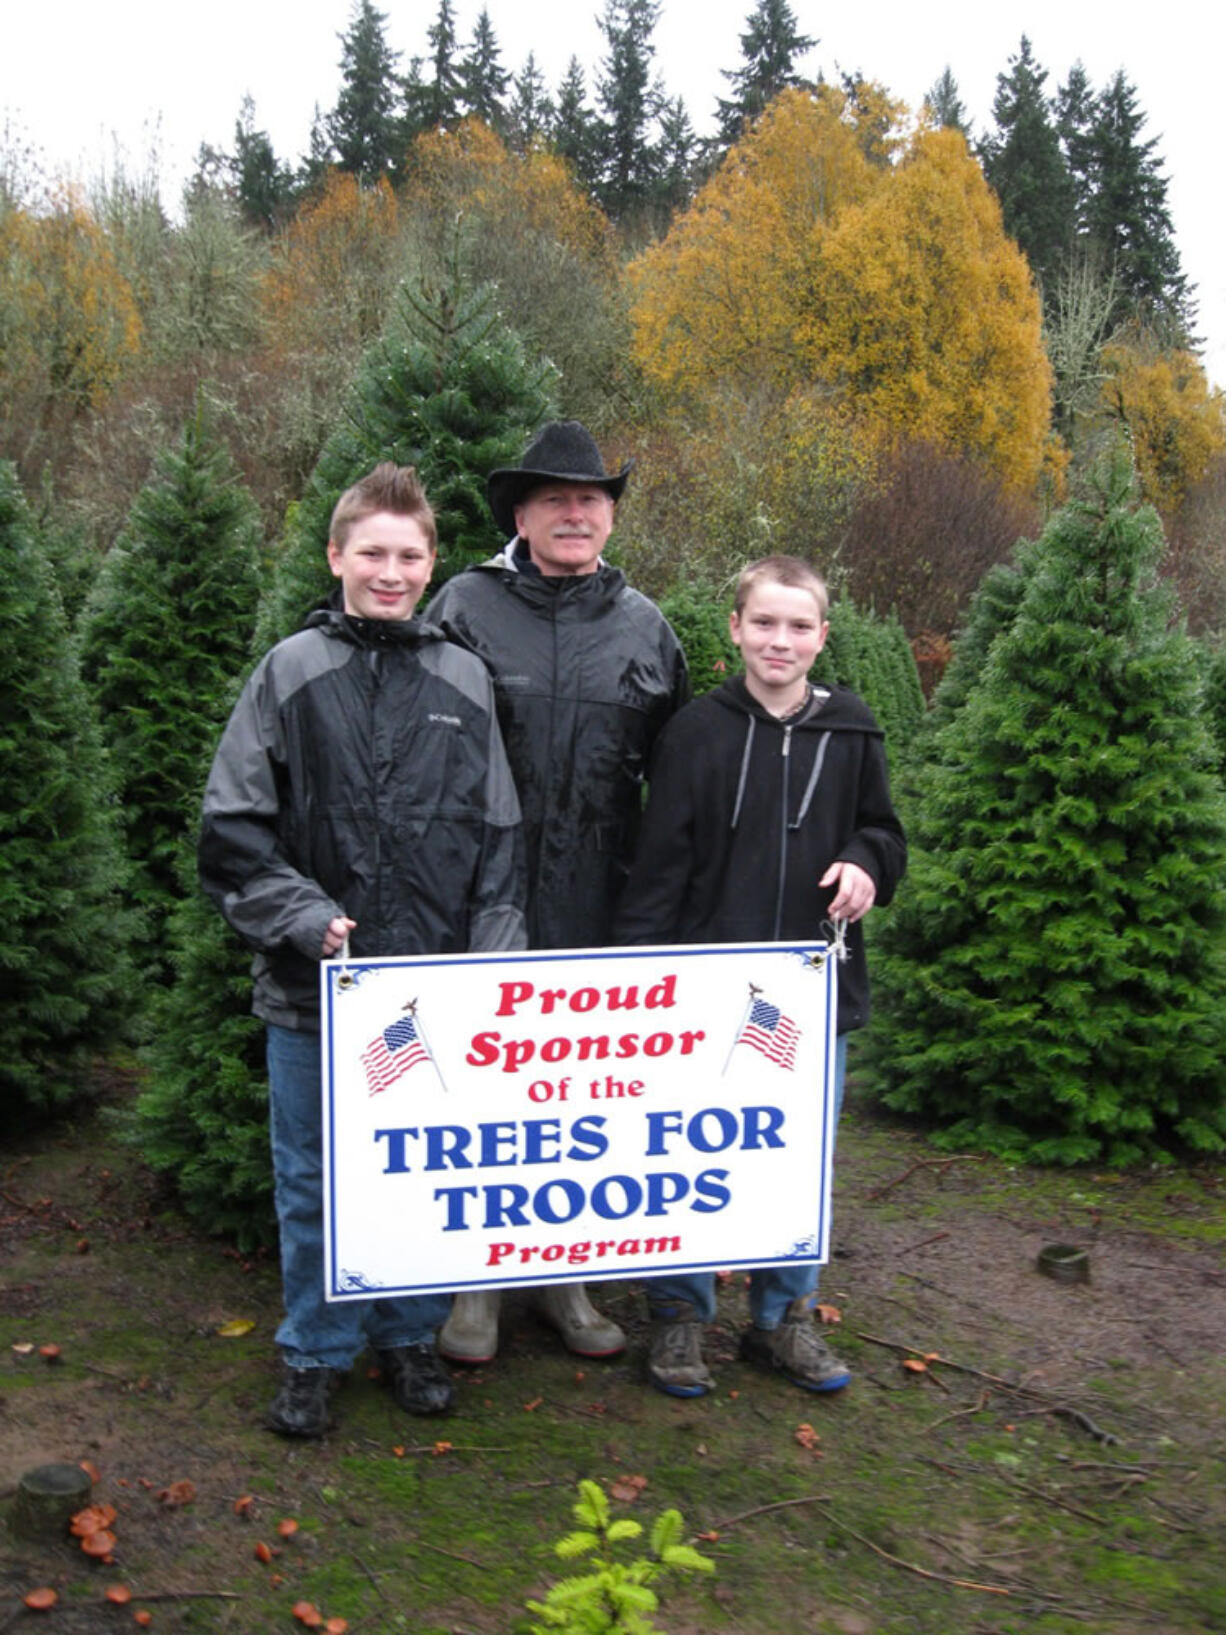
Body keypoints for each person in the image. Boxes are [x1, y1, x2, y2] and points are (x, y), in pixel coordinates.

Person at [198, 464, 526, 1437]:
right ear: (336, 555)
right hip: (313, 993)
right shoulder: (290, 671)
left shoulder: (461, 679)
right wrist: (303, 917)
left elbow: (499, 842)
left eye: (409, 555)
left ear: (432, 566)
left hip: (428, 1003)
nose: (390, 572)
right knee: (312, 1178)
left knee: (418, 1175)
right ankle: (314, 1350)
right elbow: (231, 831)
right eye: (372, 553)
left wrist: (490, 966)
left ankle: (408, 1335)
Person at [613, 555, 906, 1397]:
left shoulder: (851, 728)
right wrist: (644, 975)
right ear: (735, 628)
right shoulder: (695, 732)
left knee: (797, 1158)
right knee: (690, 1150)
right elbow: (658, 865)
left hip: (813, 989)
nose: (781, 640)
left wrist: (865, 865)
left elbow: (885, 833)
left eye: (799, 625)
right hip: (706, 989)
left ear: (822, 635)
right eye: (765, 622)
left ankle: (784, 1317)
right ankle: (678, 1314)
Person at [427, 420, 689, 1364]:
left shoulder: (646, 627)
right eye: (554, 499)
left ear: (610, 515)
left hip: (598, 905)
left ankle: (565, 1279)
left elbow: (676, 785)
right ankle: (473, 1286)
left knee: (575, 1099)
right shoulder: (461, 604)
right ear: (522, 515)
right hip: (477, 895)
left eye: (590, 499)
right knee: (480, 1088)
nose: (574, 513)